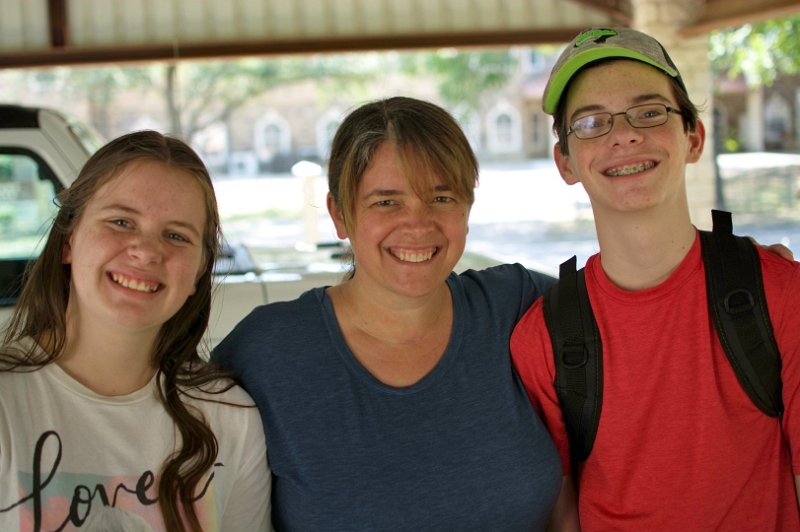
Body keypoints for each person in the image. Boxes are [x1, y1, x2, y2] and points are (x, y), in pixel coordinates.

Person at [213, 96, 562, 530]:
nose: (418, 225)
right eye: (386, 202)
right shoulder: (266, 353)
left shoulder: (517, 305)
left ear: (467, 210)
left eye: (441, 197)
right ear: (340, 215)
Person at [510, 27, 800, 531]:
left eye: (649, 113)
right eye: (591, 122)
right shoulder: (542, 340)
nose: (623, 135)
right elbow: (563, 517)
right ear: (565, 162)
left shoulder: (782, 296)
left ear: (694, 138)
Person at [0, 131, 271, 532]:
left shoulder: (231, 418)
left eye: (176, 235)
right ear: (68, 239)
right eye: (121, 222)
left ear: (200, 270)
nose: (145, 251)